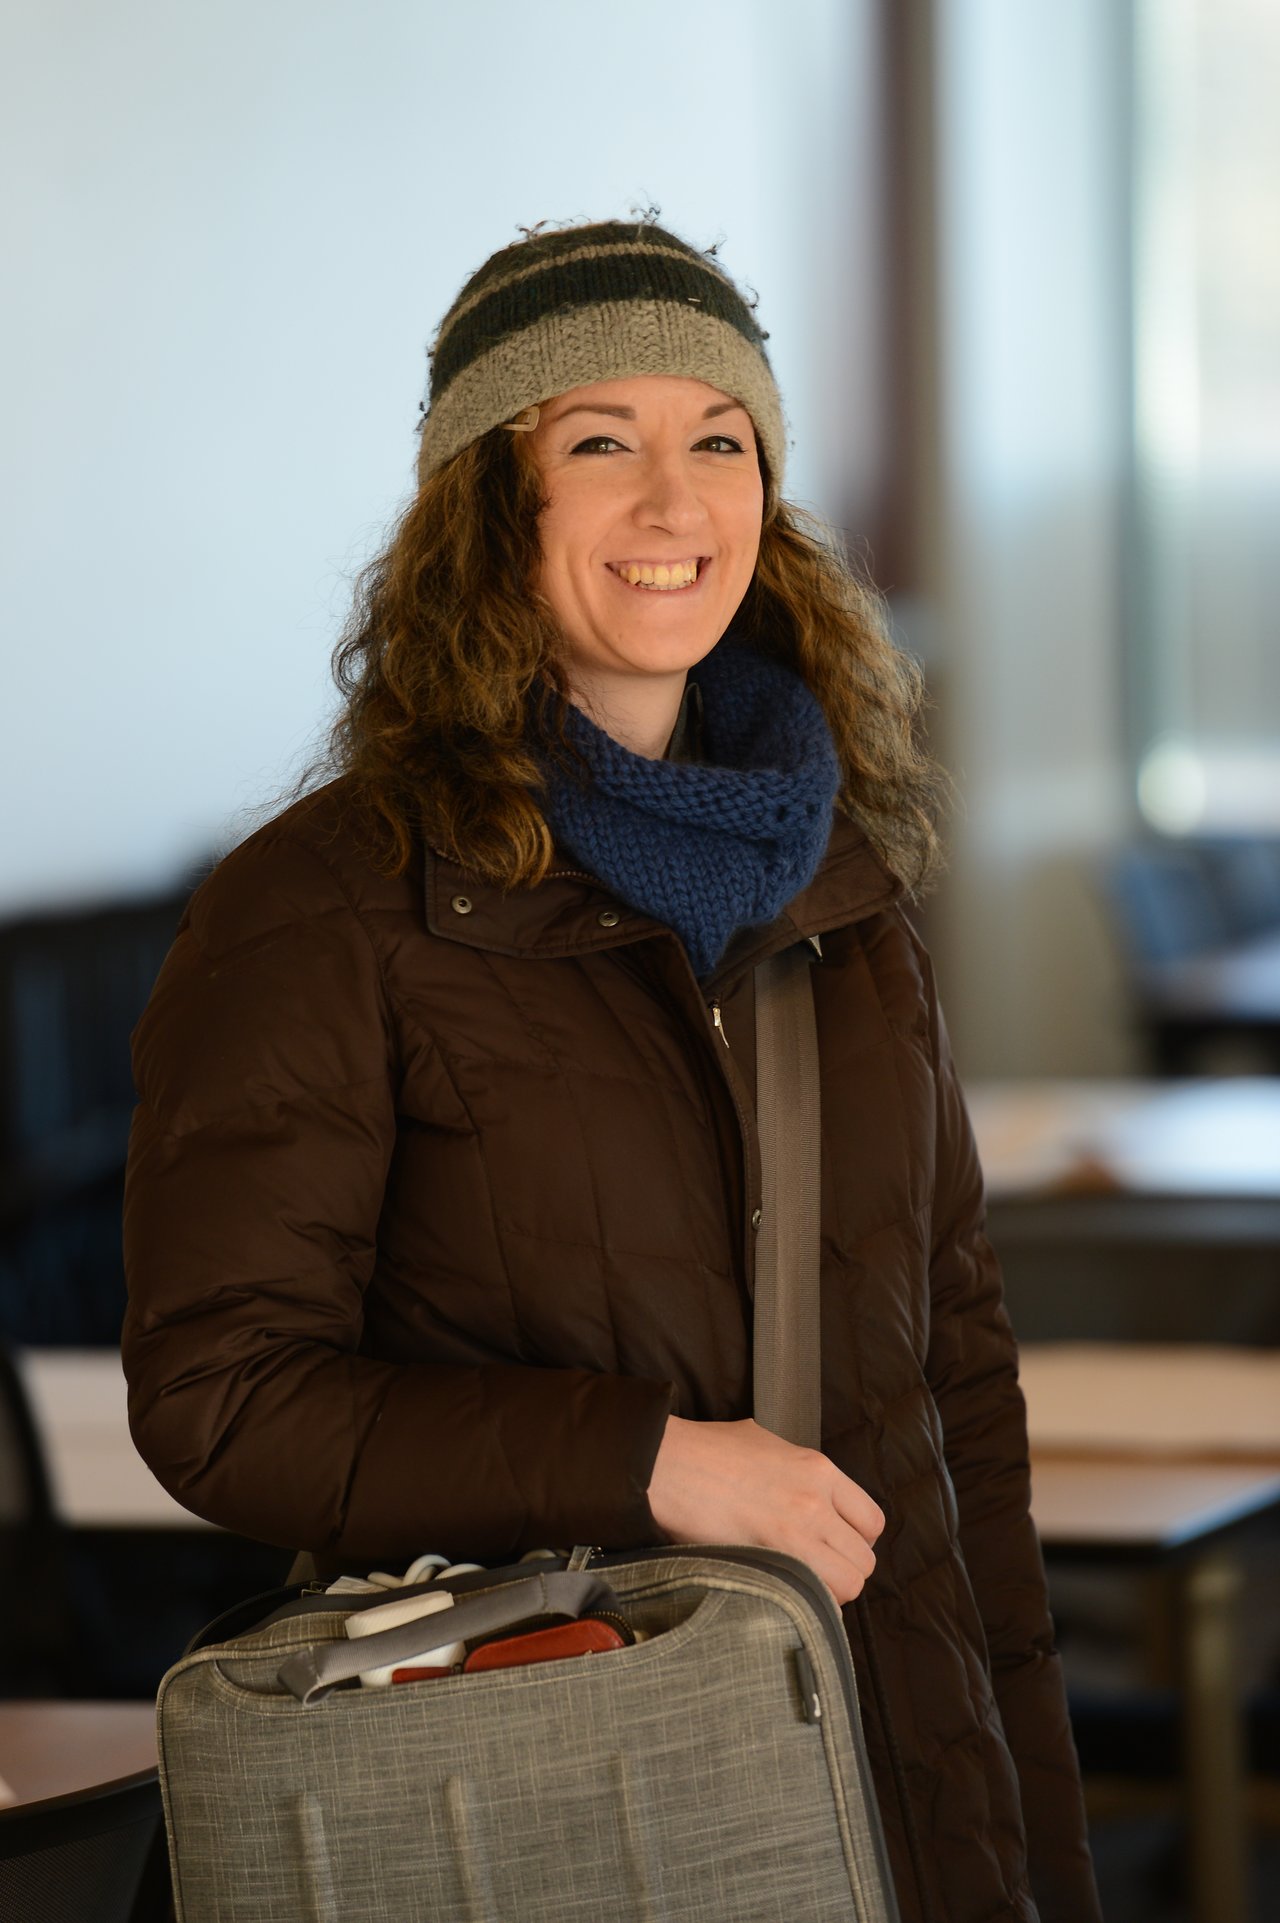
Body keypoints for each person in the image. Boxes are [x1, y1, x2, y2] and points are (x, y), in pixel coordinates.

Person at [122, 217, 1101, 1923]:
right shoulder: (324, 905)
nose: (673, 503)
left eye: (720, 442)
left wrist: (1031, 1853)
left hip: (895, 1783)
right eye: (598, 444)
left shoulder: (848, 889)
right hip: (544, 1789)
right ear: (486, 509)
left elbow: (960, 1404)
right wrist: (648, 1458)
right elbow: (224, 1399)